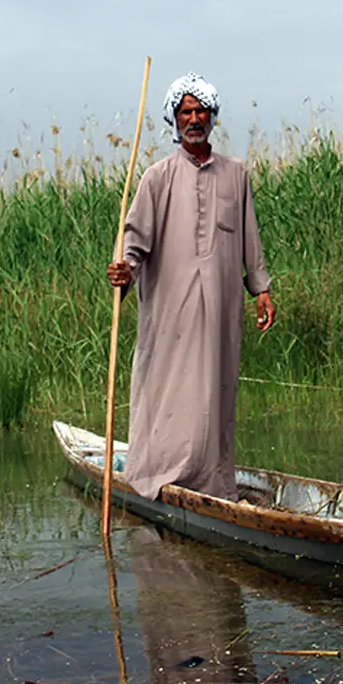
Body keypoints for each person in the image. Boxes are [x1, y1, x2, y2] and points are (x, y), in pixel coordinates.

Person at [106, 73, 276, 502]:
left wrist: (262, 289)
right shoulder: (157, 178)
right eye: (186, 112)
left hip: (221, 306)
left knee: (214, 389)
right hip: (170, 307)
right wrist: (125, 271)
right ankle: (158, 472)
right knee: (167, 384)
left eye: (200, 111)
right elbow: (135, 242)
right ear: (175, 119)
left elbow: (248, 238)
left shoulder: (236, 175)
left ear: (212, 117)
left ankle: (213, 482)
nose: (194, 118)